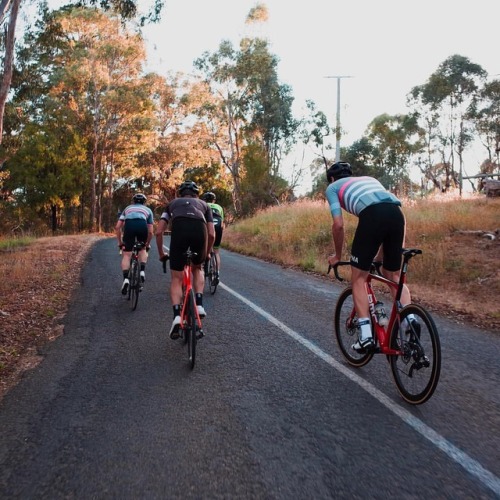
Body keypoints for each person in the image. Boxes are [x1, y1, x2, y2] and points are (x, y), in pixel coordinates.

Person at [325, 161, 415, 352]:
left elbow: (338, 225)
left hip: (373, 216)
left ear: (331, 178)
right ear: (351, 174)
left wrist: (337, 255)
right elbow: (391, 209)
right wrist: (393, 250)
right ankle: (410, 320)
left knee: (358, 277)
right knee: (393, 275)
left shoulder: (333, 187)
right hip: (397, 215)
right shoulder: (370, 179)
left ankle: (366, 336)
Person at [156, 180, 215, 339]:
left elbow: (159, 231)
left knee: (176, 278)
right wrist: (207, 253)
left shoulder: (172, 203)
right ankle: (200, 304)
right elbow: (211, 234)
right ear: (196, 194)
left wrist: (161, 253)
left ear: (180, 194)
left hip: (179, 231)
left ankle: (176, 316)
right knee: (197, 268)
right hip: (199, 230)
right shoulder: (204, 205)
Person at [115, 193, 154, 294]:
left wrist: (120, 242)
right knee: (142, 249)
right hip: (142, 226)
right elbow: (150, 232)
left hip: (129, 226)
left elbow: (118, 227)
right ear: (144, 203)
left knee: (127, 254)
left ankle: (126, 279)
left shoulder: (127, 208)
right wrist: (147, 243)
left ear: (133, 201)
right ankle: (141, 271)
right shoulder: (148, 210)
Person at [201, 191, 224, 282]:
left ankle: (204, 267)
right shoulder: (219, 207)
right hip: (218, 227)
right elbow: (222, 222)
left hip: (207, 226)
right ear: (214, 200)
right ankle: (217, 273)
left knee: (205, 249)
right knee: (216, 251)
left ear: (205, 199)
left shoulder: (203, 205)